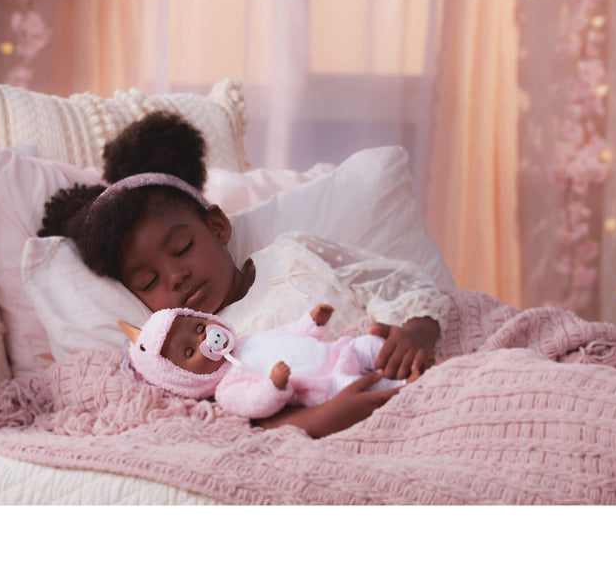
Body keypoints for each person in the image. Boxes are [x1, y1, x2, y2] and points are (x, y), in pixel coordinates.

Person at [39, 111, 450, 437]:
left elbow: (400, 282)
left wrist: (417, 331)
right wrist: (321, 419)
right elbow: (238, 422)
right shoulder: (194, 358)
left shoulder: (294, 254)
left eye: (182, 248)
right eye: (148, 282)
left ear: (217, 227)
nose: (175, 277)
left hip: (415, 380)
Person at [118, 303, 413, 419]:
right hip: (324, 385)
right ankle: (401, 384)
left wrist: (312, 322)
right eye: (188, 352)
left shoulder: (249, 341)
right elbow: (252, 403)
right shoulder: (228, 386)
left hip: (336, 353)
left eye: (198, 327)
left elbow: (288, 335)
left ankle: (396, 361)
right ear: (184, 378)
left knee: (365, 344)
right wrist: (274, 385)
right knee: (357, 386)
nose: (203, 338)